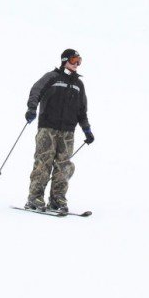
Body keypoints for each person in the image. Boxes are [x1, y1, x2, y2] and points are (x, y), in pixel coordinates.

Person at [24, 48, 94, 214]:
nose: (77, 64)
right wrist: (32, 109)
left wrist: (87, 130)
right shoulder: (52, 77)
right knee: (43, 162)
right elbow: (36, 91)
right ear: (65, 60)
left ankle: (57, 199)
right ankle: (34, 197)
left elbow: (82, 111)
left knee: (64, 166)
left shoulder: (79, 84)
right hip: (48, 127)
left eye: (79, 61)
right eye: (74, 60)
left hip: (68, 131)